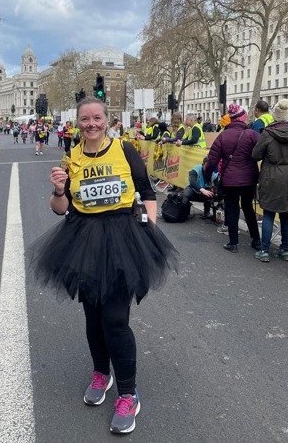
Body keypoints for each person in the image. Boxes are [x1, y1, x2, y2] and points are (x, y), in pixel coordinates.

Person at [26, 96, 178, 435]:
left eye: (97, 118)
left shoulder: (125, 150)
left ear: (107, 120)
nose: (91, 124)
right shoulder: (72, 157)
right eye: (85, 119)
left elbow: (148, 192)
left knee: (114, 318)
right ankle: (101, 373)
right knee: (92, 314)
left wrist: (149, 232)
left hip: (123, 237)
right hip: (83, 238)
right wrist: (59, 189)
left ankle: (128, 393)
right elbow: (61, 208)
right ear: (76, 122)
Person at [204, 104, 261, 253]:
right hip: (249, 178)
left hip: (230, 179)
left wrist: (206, 177)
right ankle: (256, 240)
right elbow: (262, 152)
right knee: (248, 208)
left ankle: (233, 242)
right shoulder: (252, 134)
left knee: (232, 209)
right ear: (243, 118)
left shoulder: (222, 135)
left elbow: (212, 160)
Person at [251, 99, 288, 262]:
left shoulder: (267, 133)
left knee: (268, 212)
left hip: (272, 175)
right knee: (286, 214)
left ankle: (264, 249)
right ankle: (285, 249)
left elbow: (255, 155)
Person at [179, 155, 215, 219]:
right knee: (185, 194)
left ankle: (207, 212)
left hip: (203, 193)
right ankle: (182, 212)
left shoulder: (212, 173)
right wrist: (202, 189)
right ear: (203, 164)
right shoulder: (196, 169)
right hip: (193, 190)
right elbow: (192, 181)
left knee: (211, 193)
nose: (208, 168)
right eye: (207, 166)